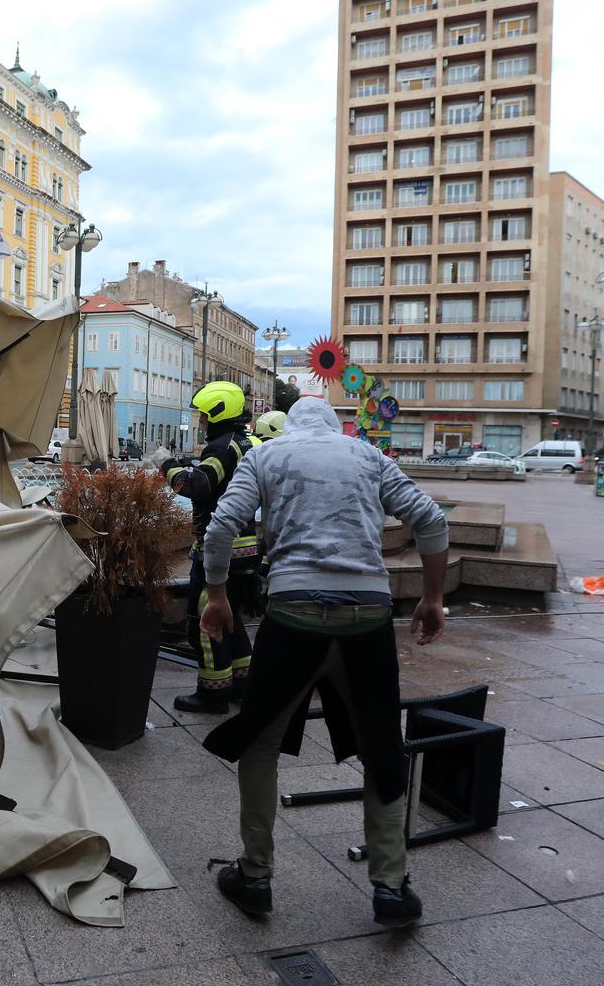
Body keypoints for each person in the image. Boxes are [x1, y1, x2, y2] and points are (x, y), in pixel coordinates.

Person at [198, 397, 449, 930]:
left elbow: (221, 529)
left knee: (260, 741)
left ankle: (255, 876)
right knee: (383, 743)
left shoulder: (266, 456)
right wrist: (431, 599)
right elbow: (429, 519)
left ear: (290, 426)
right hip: (368, 618)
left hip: (293, 615)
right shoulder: (367, 456)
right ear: (337, 427)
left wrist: (218, 596)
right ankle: (391, 888)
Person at [160, 381, 264, 713]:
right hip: (245, 546)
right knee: (229, 617)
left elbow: (198, 486)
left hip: (220, 549)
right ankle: (242, 684)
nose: (201, 423)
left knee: (207, 618)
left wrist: (165, 464)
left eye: (204, 416)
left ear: (218, 413)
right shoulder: (248, 441)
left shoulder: (222, 447)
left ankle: (213, 692)